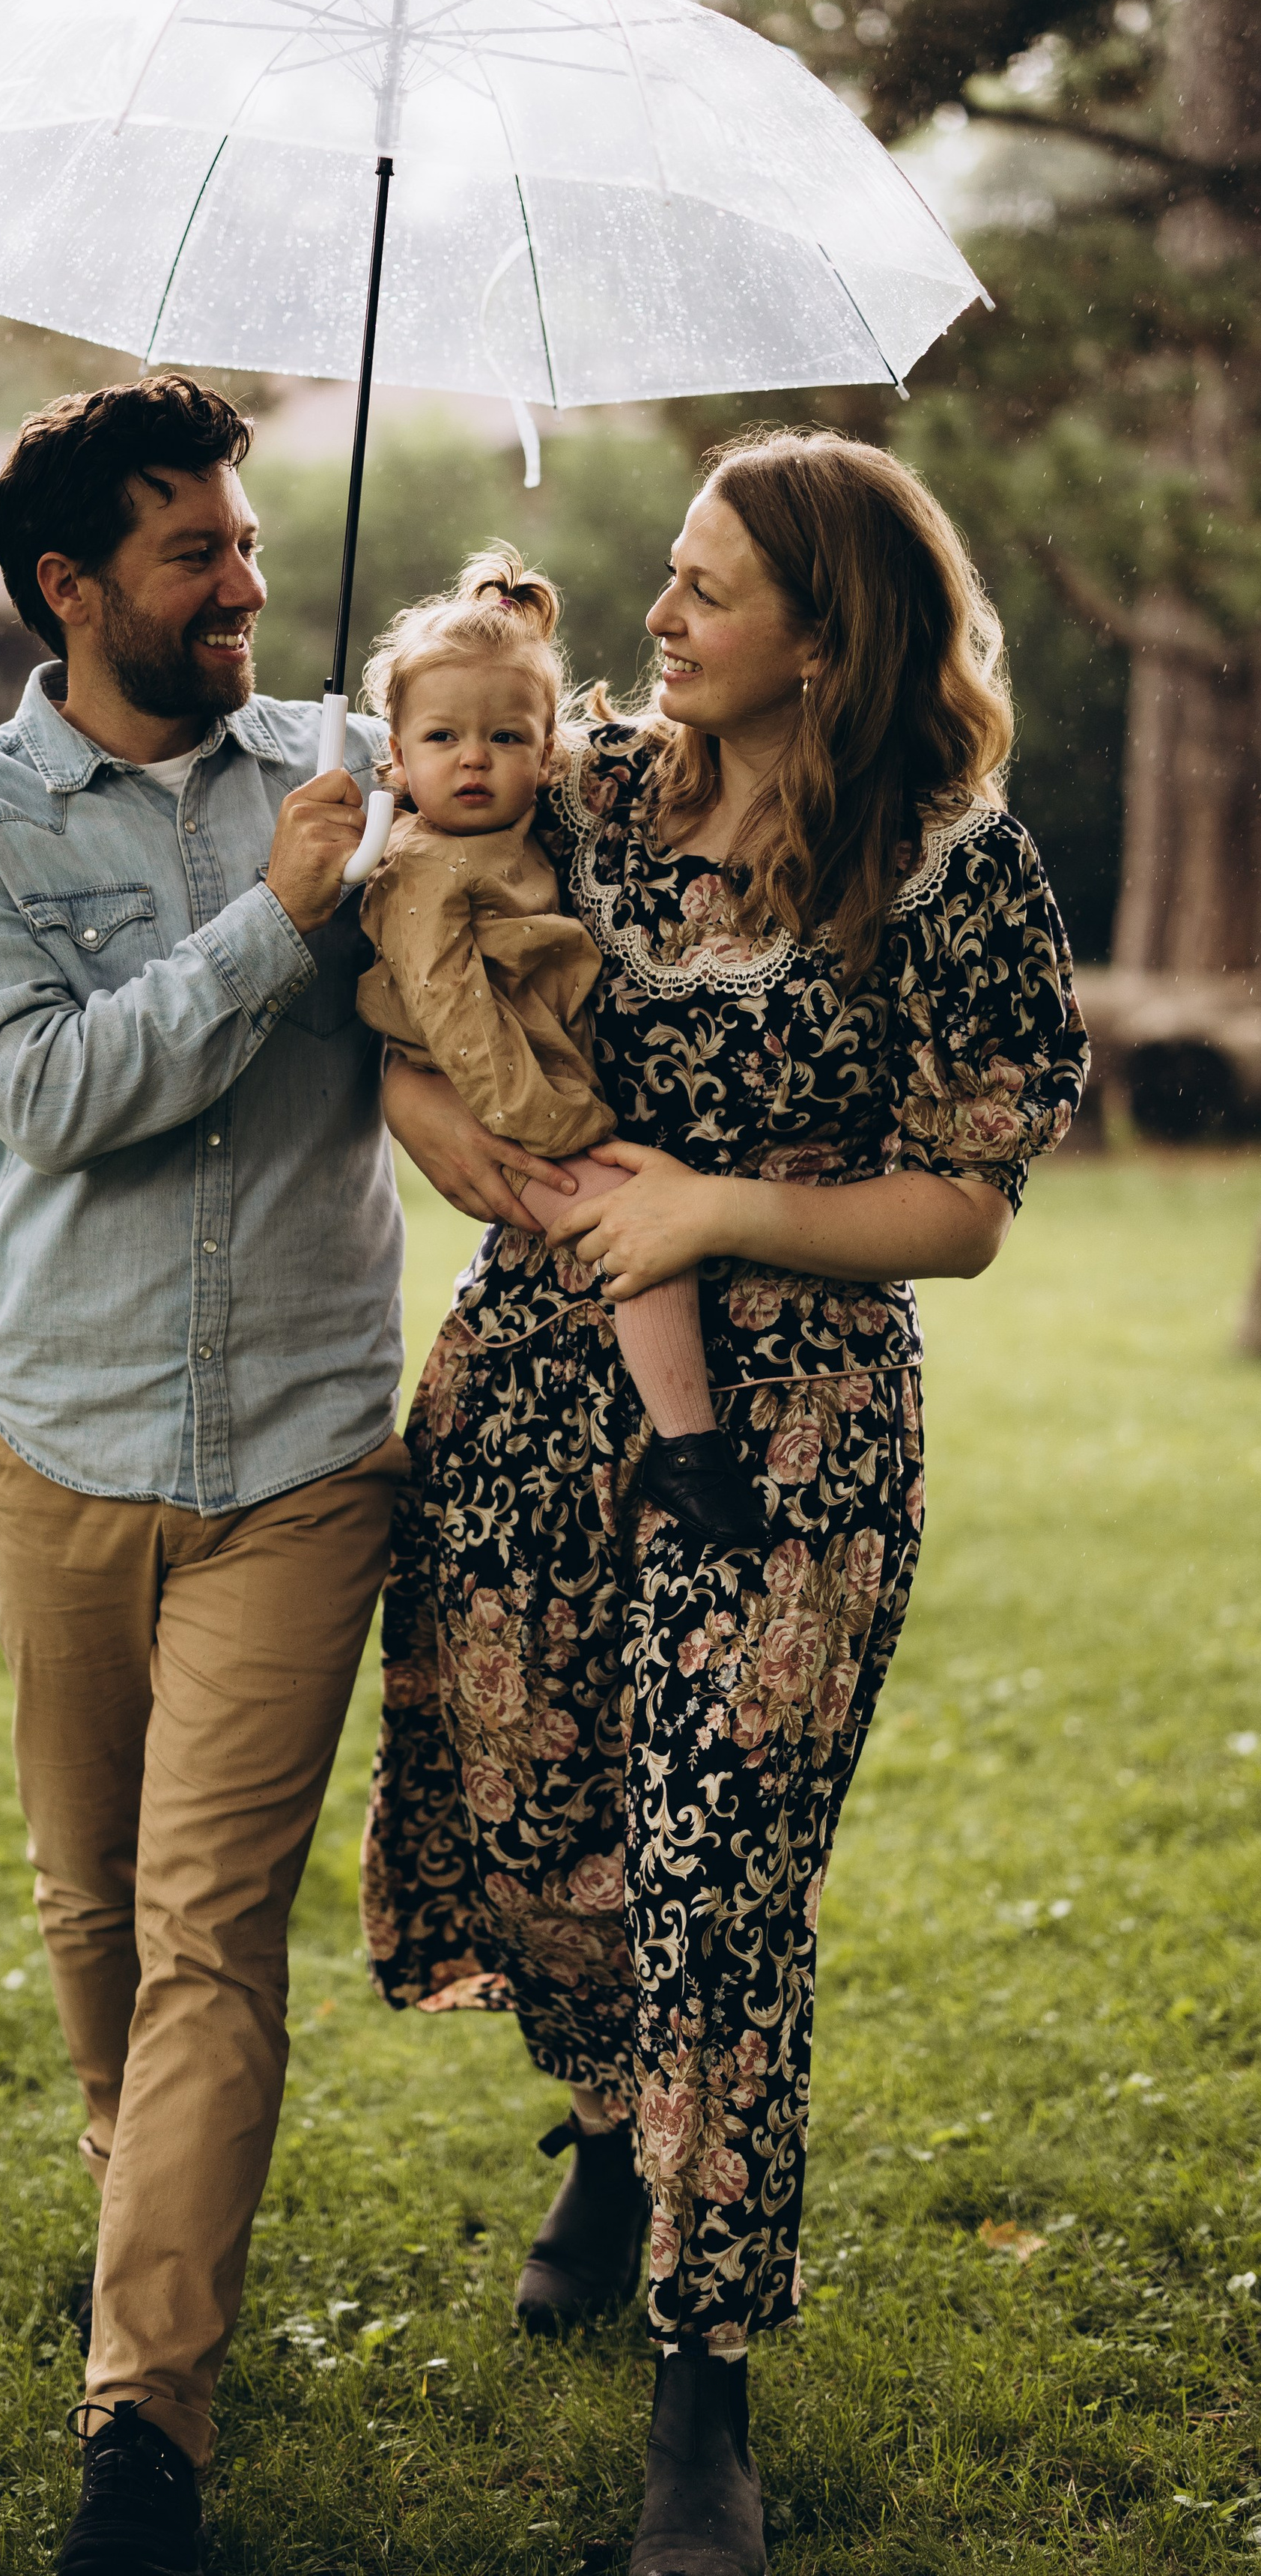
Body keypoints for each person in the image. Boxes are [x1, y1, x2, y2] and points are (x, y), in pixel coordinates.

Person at [364, 429, 1090, 2576]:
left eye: (705, 591)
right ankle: (610, 2131)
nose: (658, 616)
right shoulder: (579, 796)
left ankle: (706, 2412)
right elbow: (395, 1012)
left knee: (723, 1882)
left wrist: (718, 1212)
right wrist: (478, 1153)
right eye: (669, 580)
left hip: (795, 1432)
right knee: (527, 1815)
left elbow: (965, 1204)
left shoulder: (949, 862)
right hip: (529, 1383)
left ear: (823, 637)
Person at [0, 374, 407, 2576]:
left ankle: (144, 2430)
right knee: (90, 1906)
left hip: (303, 1449)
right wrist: (270, 927)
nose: (248, 586)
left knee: (209, 1930)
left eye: (255, 543)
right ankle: (143, 2202)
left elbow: (474, 1025)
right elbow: (55, 1095)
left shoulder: (353, 784)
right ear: (69, 585)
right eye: (195, 552)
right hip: (67, 1434)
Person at [355, 544, 762, 1546]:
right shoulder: (423, 871)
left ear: (549, 756)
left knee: (639, 1231)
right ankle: (689, 1444)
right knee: (639, 1234)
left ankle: (678, 1434)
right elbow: (458, 1019)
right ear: (396, 759)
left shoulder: (519, 826)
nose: (474, 760)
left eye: (506, 737)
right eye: (442, 738)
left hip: (533, 1081)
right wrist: (561, 1127)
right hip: (507, 1105)